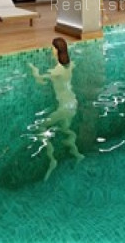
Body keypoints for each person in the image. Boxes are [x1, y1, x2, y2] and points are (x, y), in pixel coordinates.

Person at [28, 38, 84, 180]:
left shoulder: (56, 71)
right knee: (66, 129)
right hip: (73, 103)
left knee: (41, 127)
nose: (51, 49)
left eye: (53, 48)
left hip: (65, 107)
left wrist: (33, 68)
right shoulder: (70, 64)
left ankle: (52, 159)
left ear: (56, 50)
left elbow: (40, 80)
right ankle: (77, 154)